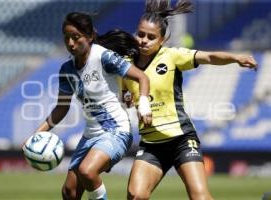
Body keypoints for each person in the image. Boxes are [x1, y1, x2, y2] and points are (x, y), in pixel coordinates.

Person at [123, 1, 258, 199]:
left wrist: (235, 58)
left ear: (163, 39)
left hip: (181, 140)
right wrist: (126, 96)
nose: (144, 40)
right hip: (151, 144)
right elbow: (123, 92)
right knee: (135, 195)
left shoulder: (172, 56)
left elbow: (209, 57)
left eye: (151, 37)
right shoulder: (125, 65)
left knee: (200, 197)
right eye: (140, 34)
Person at [34, 12, 152, 200]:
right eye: (66, 38)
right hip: (90, 136)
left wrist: (144, 105)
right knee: (69, 192)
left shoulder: (103, 57)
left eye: (76, 37)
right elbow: (61, 108)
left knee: (87, 171)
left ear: (90, 36)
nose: (71, 43)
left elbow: (142, 77)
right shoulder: (66, 70)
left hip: (117, 132)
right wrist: (38, 134)